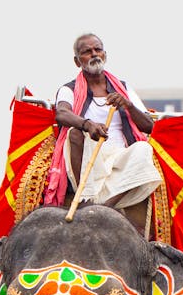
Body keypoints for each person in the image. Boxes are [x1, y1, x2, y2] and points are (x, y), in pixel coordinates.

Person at [44, 33, 161, 233]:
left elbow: (149, 126)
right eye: (87, 52)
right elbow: (62, 113)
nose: (94, 54)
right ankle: (85, 199)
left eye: (97, 49)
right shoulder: (68, 89)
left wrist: (128, 105)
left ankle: (105, 207)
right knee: (74, 134)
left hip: (121, 156)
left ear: (105, 54)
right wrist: (88, 125)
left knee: (143, 149)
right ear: (77, 61)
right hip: (92, 152)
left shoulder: (123, 88)